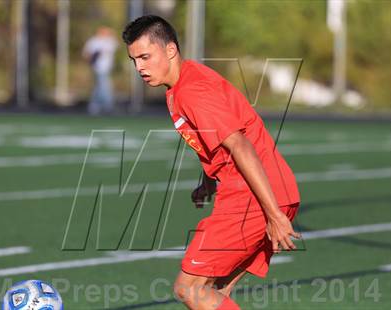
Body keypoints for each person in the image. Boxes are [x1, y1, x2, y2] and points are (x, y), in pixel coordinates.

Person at [122, 15, 301, 310]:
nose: (139, 67)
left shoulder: (192, 91)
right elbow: (214, 143)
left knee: (189, 289)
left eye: (145, 57)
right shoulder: (182, 84)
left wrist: (273, 215)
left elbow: (240, 145)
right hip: (274, 190)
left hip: (254, 198)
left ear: (170, 50)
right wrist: (207, 182)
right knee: (215, 292)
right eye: (134, 60)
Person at [83, 27, 118, 115]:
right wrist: (91, 60)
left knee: (99, 87)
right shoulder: (93, 41)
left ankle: (94, 106)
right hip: (98, 67)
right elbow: (86, 54)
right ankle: (108, 105)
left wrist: (112, 33)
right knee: (104, 85)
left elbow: (116, 44)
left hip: (107, 68)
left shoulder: (109, 41)